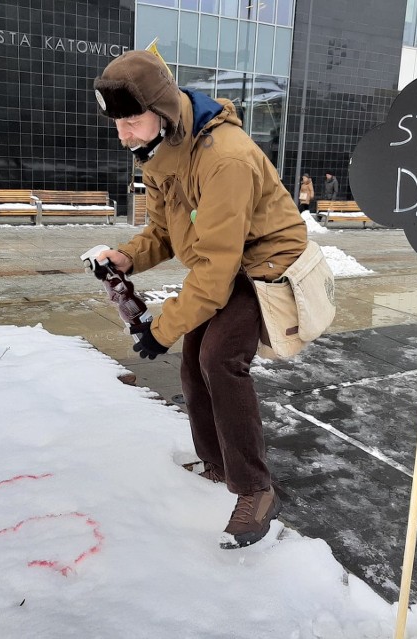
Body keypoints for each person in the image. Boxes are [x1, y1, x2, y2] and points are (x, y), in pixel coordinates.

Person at [92, 50, 307, 549]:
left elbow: (215, 269)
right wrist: (124, 258)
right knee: (194, 364)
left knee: (219, 357)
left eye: (130, 120)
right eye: (117, 122)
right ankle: (216, 465)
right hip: (224, 260)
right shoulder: (160, 153)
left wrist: (159, 330)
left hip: (265, 263)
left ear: (163, 111)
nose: (122, 133)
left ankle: (256, 489)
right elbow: (165, 232)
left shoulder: (224, 157)